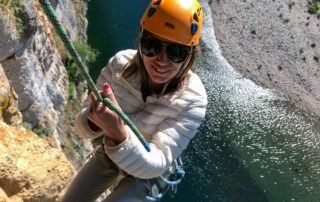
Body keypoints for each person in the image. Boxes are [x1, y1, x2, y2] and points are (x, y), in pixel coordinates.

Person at [62, 0, 207, 201]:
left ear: (190, 56)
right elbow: (81, 130)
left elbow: (155, 163)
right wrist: (94, 118)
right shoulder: (119, 65)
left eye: (176, 52)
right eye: (152, 46)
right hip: (111, 153)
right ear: (141, 40)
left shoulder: (193, 99)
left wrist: (116, 130)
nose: (162, 61)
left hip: (150, 174)